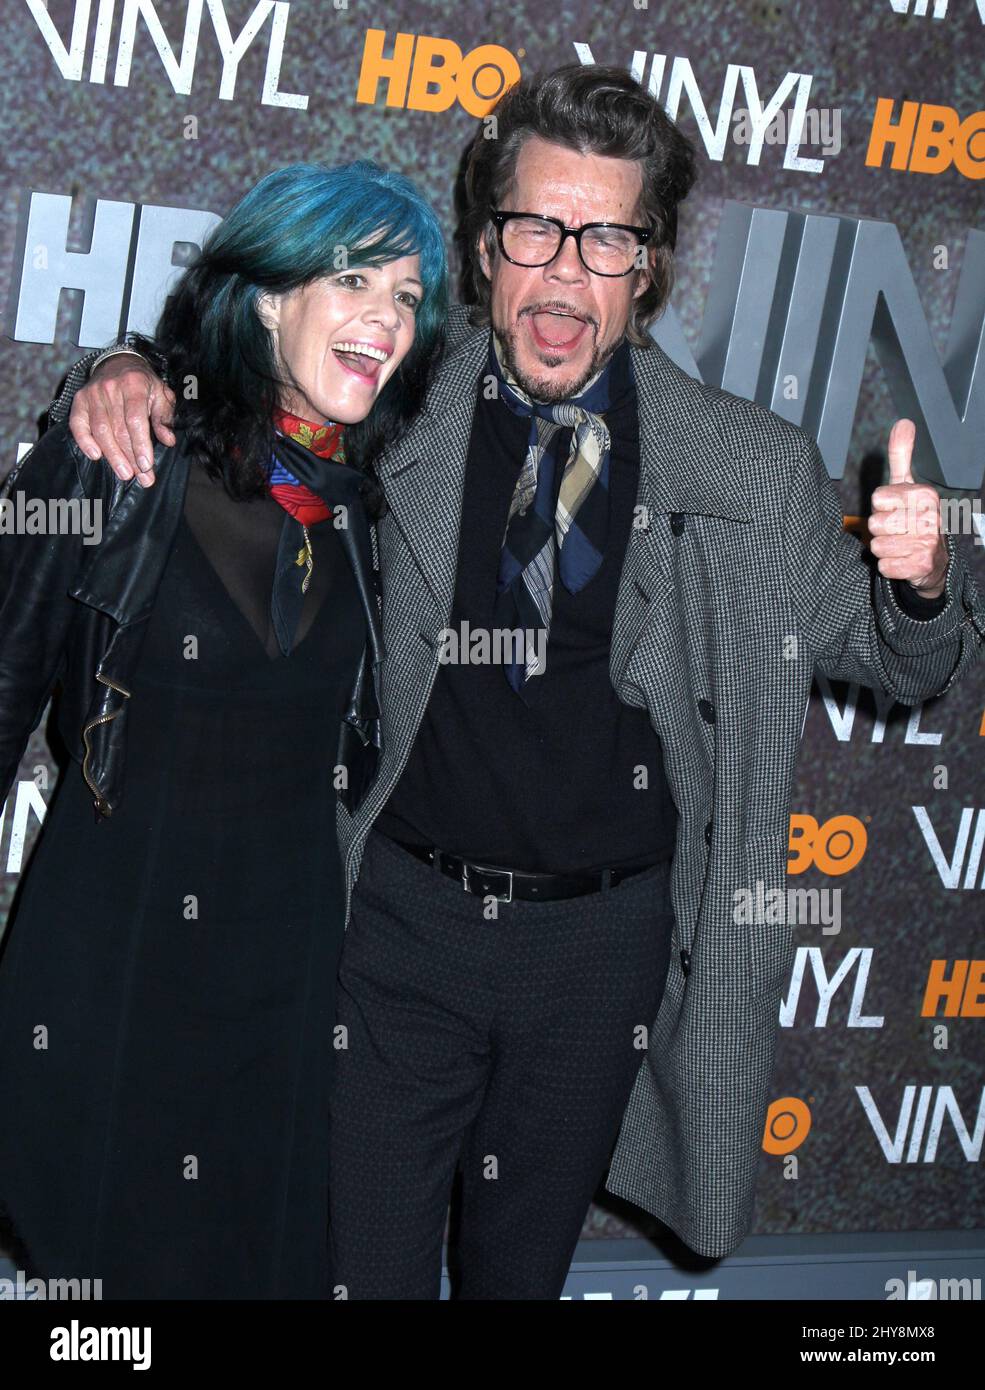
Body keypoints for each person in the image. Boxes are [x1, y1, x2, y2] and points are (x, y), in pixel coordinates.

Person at [53, 65, 985, 1301]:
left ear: (647, 267)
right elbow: (232, 376)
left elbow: (895, 660)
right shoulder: (398, 404)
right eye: (536, 229)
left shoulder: (746, 468)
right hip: (396, 933)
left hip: (601, 956)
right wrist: (122, 368)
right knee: (361, 1273)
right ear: (488, 251)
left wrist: (921, 584)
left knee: (515, 1279)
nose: (564, 274)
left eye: (607, 238)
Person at [0, 159, 447, 1298]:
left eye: (406, 296)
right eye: (353, 279)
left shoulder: (365, 508)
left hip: (283, 987)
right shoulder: (115, 459)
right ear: (264, 296)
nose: (384, 319)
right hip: (113, 960)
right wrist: (113, 368)